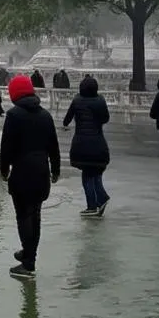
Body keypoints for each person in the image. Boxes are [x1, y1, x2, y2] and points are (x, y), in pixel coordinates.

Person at [0, 74, 61, 280]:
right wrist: (56, 170)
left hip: (22, 173)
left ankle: (28, 263)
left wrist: (4, 169)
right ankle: (29, 254)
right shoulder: (45, 115)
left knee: (24, 216)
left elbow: (6, 146)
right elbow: (54, 145)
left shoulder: (14, 116)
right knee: (35, 215)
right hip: (42, 172)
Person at [62, 76, 110, 216]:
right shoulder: (100, 100)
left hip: (82, 144)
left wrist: (66, 125)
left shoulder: (77, 100)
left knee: (87, 176)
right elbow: (106, 118)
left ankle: (94, 205)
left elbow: (67, 119)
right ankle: (100, 200)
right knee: (96, 172)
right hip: (99, 143)